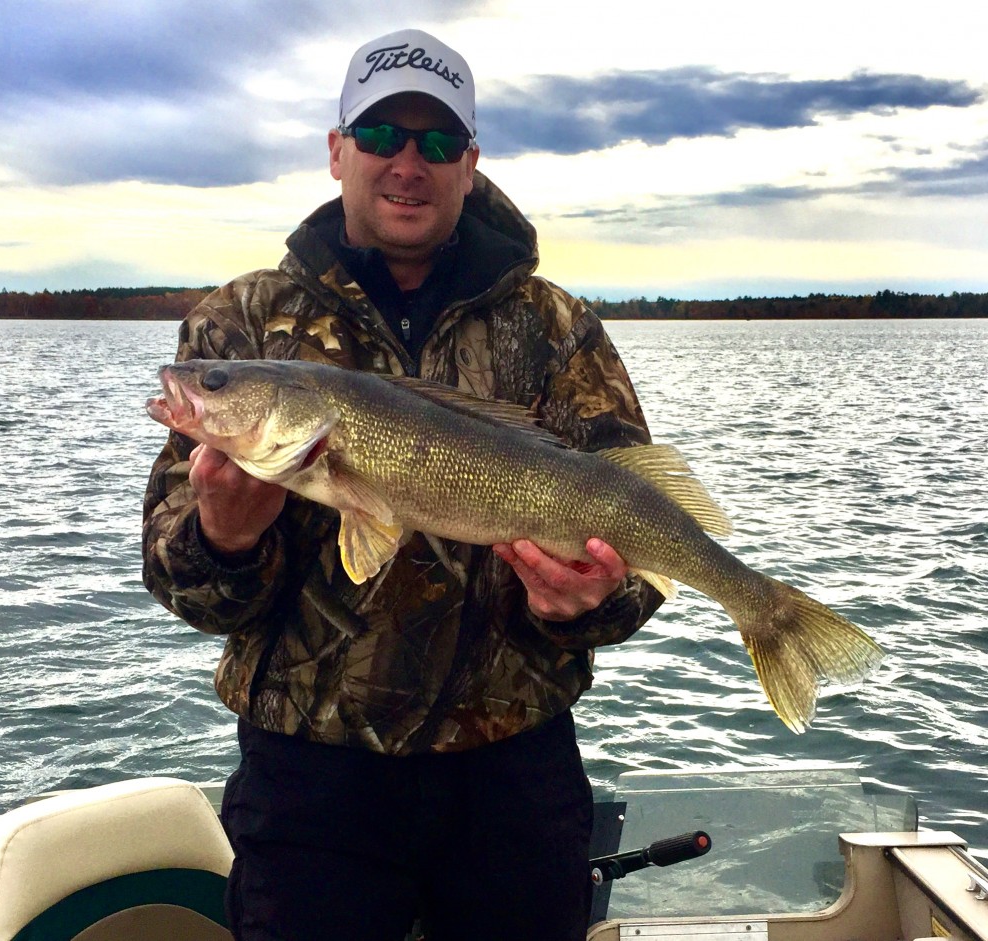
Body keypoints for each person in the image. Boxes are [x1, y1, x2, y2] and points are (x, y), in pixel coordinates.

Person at [142, 27, 664, 941]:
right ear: (338, 150)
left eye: (435, 141)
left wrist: (585, 604)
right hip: (311, 789)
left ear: (470, 161)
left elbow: (637, 561)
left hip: (513, 778)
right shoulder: (245, 324)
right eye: (382, 137)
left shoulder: (557, 331)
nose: (406, 164)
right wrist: (223, 536)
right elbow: (184, 586)